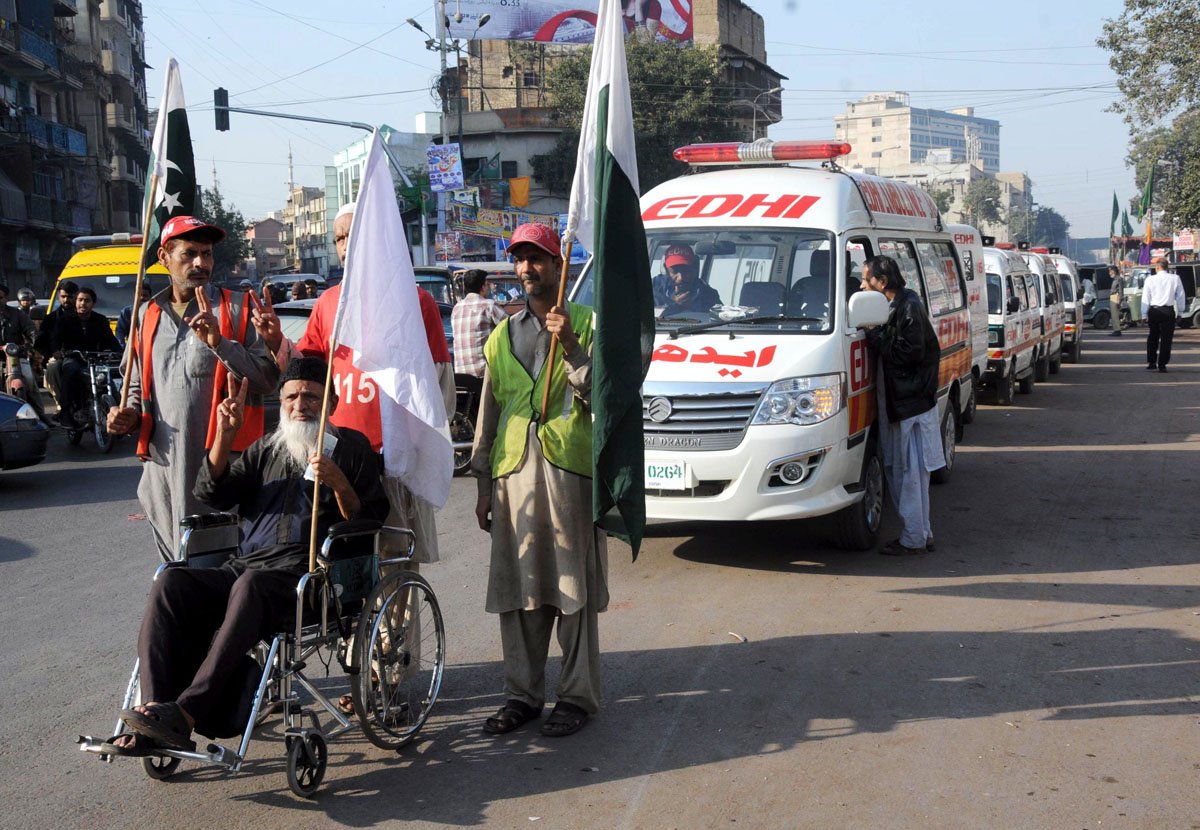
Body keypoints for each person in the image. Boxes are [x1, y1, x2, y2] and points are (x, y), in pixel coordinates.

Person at [104, 358, 388, 755]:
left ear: (332, 402)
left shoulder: (352, 447)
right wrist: (224, 435)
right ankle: (153, 711)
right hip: (246, 567)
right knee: (171, 579)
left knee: (251, 586)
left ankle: (185, 714)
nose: (299, 405)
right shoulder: (265, 449)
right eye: (291, 397)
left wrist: (340, 484)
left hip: (309, 577)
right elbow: (212, 494)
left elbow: (371, 519)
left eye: (310, 396)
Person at [253, 201, 452, 566]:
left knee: (394, 566)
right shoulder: (329, 303)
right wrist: (275, 341)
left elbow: (437, 383)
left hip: (394, 459)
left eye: (352, 235)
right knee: (342, 562)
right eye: (339, 238)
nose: (345, 245)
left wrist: (420, 445)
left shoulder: (415, 301)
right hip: (341, 454)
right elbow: (307, 371)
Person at [471, 222, 606, 738]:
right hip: (512, 478)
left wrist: (570, 343)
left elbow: (603, 397)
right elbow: (490, 415)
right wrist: (482, 485)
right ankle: (522, 695)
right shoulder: (502, 334)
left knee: (572, 589)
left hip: (569, 472)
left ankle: (576, 696)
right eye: (520, 259)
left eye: (538, 259)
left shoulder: (588, 322)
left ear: (558, 265)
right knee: (518, 591)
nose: (527, 268)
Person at [106, 215, 280, 559]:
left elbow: (265, 379)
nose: (201, 263)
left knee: (218, 575)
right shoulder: (145, 314)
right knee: (177, 578)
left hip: (221, 469)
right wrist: (125, 414)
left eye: (208, 253)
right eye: (190, 253)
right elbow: (137, 386)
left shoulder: (238, 307)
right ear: (164, 257)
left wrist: (220, 344)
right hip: (163, 472)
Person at [860, 254, 943, 556]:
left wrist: (874, 335)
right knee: (904, 471)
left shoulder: (909, 307)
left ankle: (913, 538)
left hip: (910, 406)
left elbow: (909, 352)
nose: (861, 284)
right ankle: (921, 533)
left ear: (881, 282)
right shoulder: (898, 305)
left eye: (865, 279)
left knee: (909, 473)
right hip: (902, 404)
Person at [52, 286, 121, 426]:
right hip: (73, 358)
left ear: (93, 303)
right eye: (80, 300)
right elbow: (55, 339)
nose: (83, 303)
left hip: (95, 359)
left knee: (108, 380)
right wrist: (56, 351)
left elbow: (111, 339)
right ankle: (65, 412)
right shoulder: (65, 320)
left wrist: (120, 352)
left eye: (87, 300)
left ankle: (118, 414)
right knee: (70, 371)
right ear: (75, 302)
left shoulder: (100, 320)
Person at [452, 268, 506, 410]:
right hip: (481, 375)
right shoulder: (488, 305)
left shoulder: (456, 308)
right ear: (483, 286)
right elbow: (511, 327)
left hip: (460, 375)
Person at [36, 279, 78, 408]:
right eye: (63, 297)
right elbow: (39, 342)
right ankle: (62, 405)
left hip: (82, 356)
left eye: (70, 297)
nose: (66, 300)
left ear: (76, 296)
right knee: (53, 367)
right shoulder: (51, 319)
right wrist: (52, 353)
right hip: (58, 358)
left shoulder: (84, 316)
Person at [1142, 256, 1187, 372]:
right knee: (1166, 339)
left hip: (1154, 311)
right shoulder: (1175, 278)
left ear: (1157, 268)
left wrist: (1143, 314)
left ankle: (1152, 362)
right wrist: (1180, 312)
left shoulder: (1150, 279)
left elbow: (1146, 298)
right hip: (1168, 311)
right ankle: (1162, 365)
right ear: (1167, 268)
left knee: (1153, 337)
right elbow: (1181, 296)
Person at [652, 244, 721, 317]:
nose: (680, 278)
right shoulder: (654, 288)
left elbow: (721, 319)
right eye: (674, 272)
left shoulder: (707, 294)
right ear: (666, 269)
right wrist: (673, 305)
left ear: (694, 268)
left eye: (686, 271)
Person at [115, 281, 150, 348]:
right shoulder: (127, 312)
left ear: (150, 297)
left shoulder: (156, 313)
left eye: (145, 296)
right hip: (133, 349)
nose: (142, 298)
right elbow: (120, 332)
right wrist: (122, 348)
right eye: (139, 295)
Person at [1107, 265, 1124, 336]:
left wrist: (1119, 300)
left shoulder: (1119, 279)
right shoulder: (1114, 279)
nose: (1109, 273)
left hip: (1116, 297)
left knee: (1115, 315)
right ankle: (1115, 329)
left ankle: (1117, 330)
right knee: (1113, 315)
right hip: (1112, 297)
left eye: (1110, 271)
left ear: (1114, 271)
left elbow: (1120, 290)